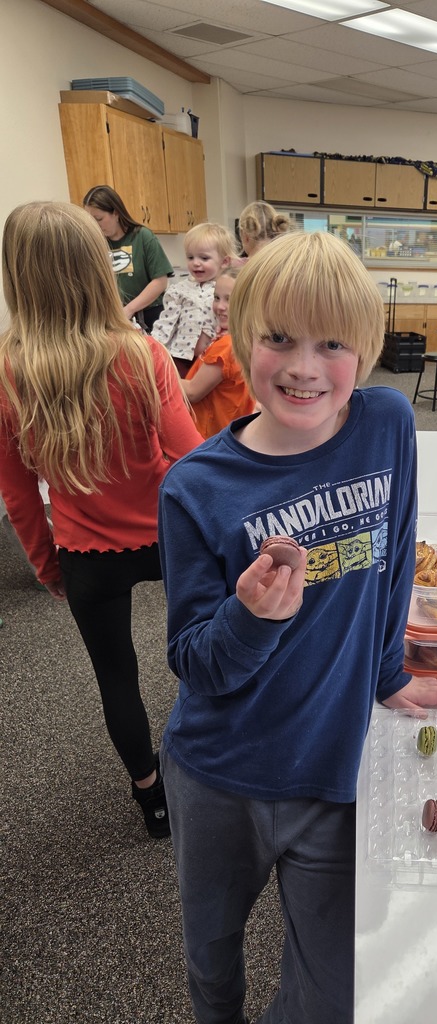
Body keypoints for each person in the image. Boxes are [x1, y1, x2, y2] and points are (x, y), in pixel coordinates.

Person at [157, 230, 437, 1024]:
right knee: (213, 955)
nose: (302, 367)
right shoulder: (196, 487)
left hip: (332, 771)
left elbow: (396, 552)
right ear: (241, 334)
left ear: (364, 348)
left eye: (332, 344)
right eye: (278, 338)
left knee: (333, 985)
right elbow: (195, 661)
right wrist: (251, 618)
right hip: (221, 776)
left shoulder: (384, 422)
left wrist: (388, 675)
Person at [0, 201, 203, 837]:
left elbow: (17, 490)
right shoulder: (141, 353)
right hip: (168, 539)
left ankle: (153, 802)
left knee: (115, 676)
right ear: (97, 267)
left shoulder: (10, 367)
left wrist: (45, 563)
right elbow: (193, 461)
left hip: (86, 553)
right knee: (199, 651)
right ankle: (212, 760)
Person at [152, 222, 238, 377]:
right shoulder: (179, 290)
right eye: (190, 257)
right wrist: (152, 347)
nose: (196, 263)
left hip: (211, 359)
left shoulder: (223, 290)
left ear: (224, 262)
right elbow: (167, 323)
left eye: (204, 258)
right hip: (180, 357)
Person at [84, 184, 173, 332]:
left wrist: (129, 309)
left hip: (149, 316)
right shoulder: (97, 244)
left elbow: (160, 281)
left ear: (116, 213)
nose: (95, 225)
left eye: (99, 218)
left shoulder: (143, 237)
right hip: (114, 319)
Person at [180, 267, 255, 438]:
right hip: (231, 434)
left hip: (208, 436)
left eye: (230, 300)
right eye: (216, 298)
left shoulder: (227, 345)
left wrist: (157, 373)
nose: (220, 306)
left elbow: (192, 392)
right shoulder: (249, 338)